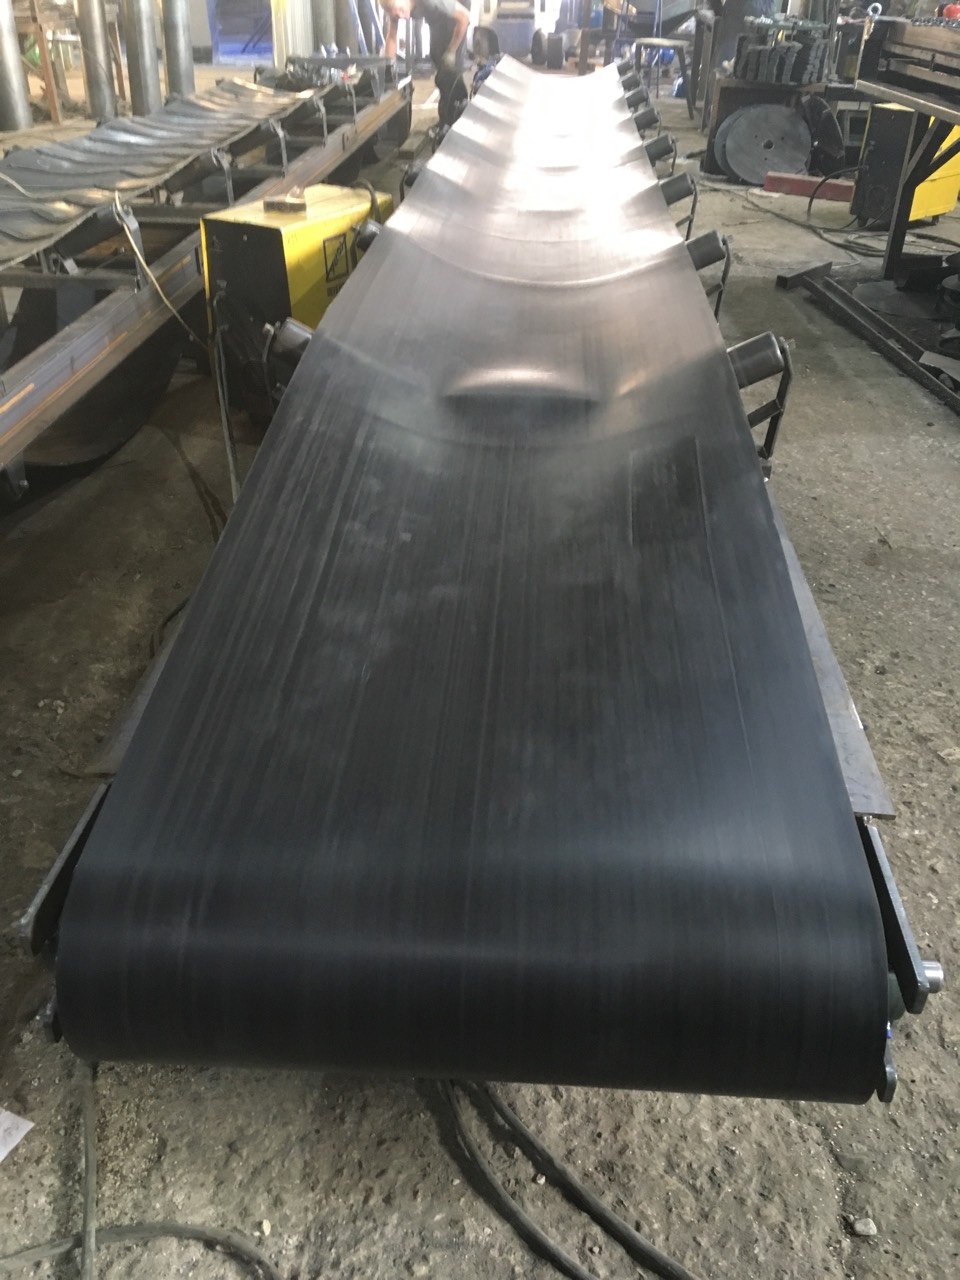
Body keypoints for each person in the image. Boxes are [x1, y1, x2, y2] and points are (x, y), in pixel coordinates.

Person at [382, 0, 470, 72]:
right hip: (437, 17)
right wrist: (388, 69)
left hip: (458, 13)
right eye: (397, 15)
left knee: (452, 67)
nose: (401, 16)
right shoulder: (396, 6)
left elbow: (465, 18)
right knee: (437, 57)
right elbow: (391, 37)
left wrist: (451, 50)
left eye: (401, 10)